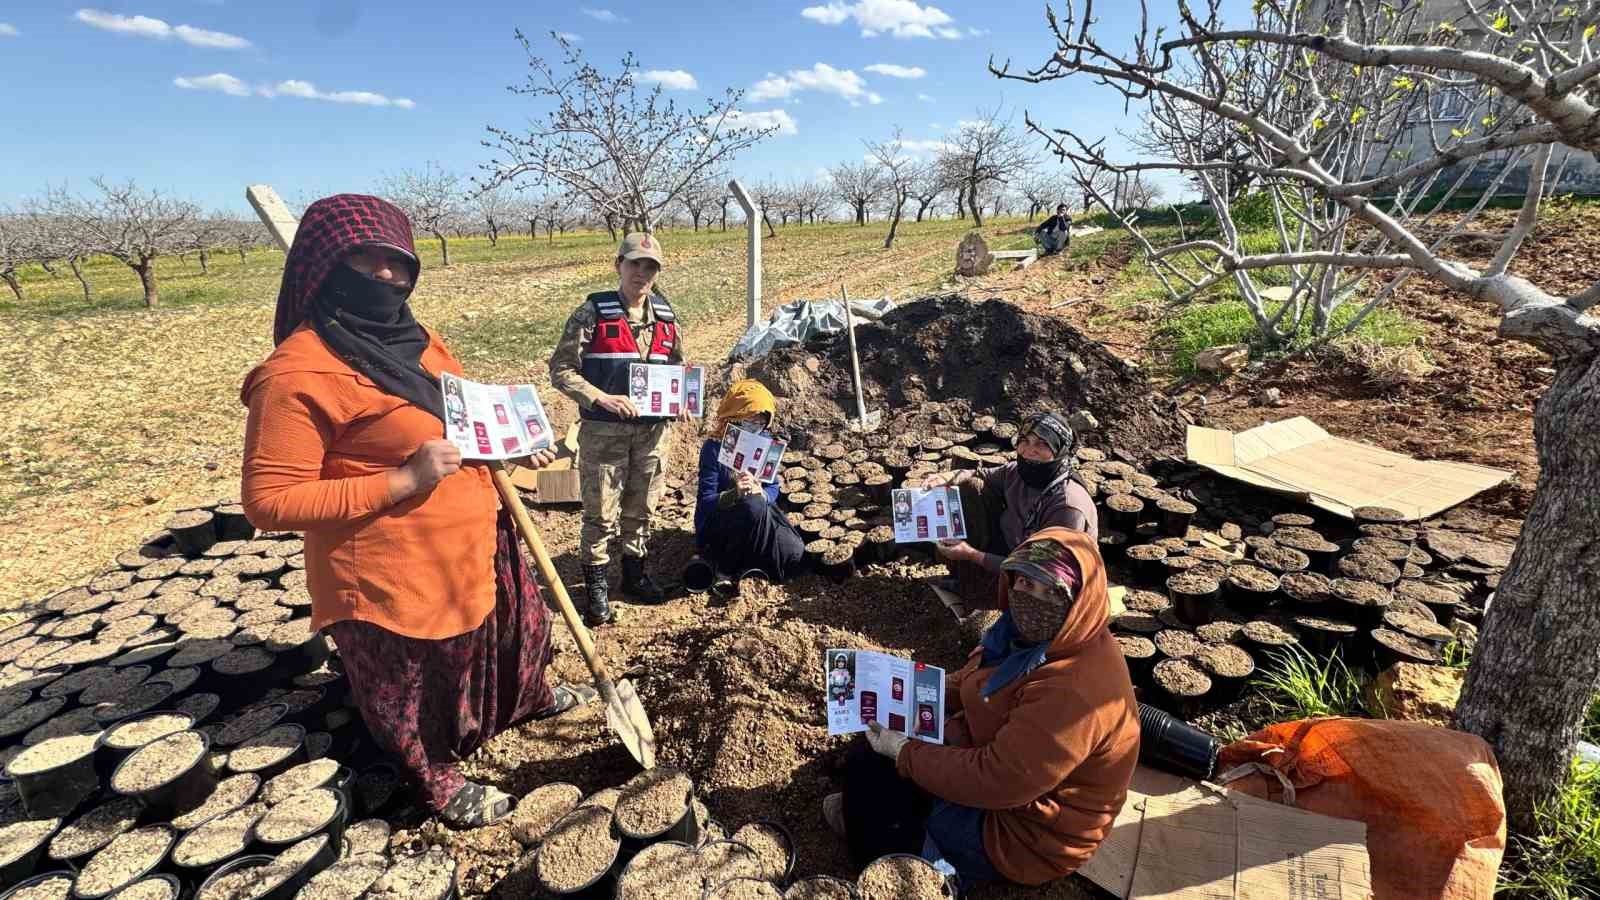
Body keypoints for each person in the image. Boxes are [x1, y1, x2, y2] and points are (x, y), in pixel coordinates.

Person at [240, 194, 593, 829]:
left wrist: (511, 447)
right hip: (390, 571)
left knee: (513, 630)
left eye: (398, 262)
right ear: (324, 267)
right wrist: (400, 479)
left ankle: (524, 700)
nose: (386, 276)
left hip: (471, 536)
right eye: (367, 261)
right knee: (413, 690)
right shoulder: (295, 374)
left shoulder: (421, 340)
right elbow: (270, 501)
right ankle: (434, 777)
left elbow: (458, 421)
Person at [823, 527, 1140, 889]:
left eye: (1051, 592)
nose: (1031, 599)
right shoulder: (1018, 636)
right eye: (1024, 583)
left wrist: (905, 752)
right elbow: (975, 683)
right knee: (869, 759)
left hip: (1026, 831)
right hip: (993, 758)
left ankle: (936, 873)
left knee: (885, 801)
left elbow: (998, 780)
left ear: (1079, 602)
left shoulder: (1074, 690)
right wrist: (903, 690)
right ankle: (866, 814)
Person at [550, 232, 687, 625]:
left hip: (653, 433)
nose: (641, 273)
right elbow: (561, 371)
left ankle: (634, 576)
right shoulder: (590, 314)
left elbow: (679, 367)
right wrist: (599, 398)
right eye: (634, 264)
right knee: (600, 512)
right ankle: (596, 588)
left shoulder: (667, 317)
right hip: (604, 432)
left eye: (650, 267)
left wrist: (685, 399)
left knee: (642, 506)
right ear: (619, 266)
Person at [923, 411, 1098, 608]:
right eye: (1025, 441)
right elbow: (980, 473)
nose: (1030, 450)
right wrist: (946, 477)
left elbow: (1040, 567)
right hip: (1016, 547)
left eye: (1042, 444)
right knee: (973, 486)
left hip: (1047, 577)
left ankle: (984, 597)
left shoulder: (1066, 505)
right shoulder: (1017, 472)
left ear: (1060, 451)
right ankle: (967, 579)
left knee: (980, 596)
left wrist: (972, 554)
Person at [692, 380, 806, 591]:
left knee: (794, 552)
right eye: (749, 421)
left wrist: (762, 493)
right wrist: (734, 494)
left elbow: (773, 487)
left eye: (760, 422)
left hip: (758, 513)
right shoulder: (713, 448)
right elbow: (705, 503)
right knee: (751, 506)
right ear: (733, 418)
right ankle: (725, 568)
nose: (755, 427)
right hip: (722, 523)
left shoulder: (764, 443)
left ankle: (750, 566)